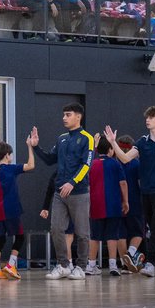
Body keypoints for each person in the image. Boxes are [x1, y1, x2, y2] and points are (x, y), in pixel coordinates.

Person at [104, 106, 155, 277]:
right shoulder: (142, 141)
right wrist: (113, 143)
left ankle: (150, 264)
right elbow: (124, 159)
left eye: (151, 117)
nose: (147, 119)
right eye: (147, 117)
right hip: (145, 191)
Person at [35, 103, 94, 280]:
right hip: (60, 192)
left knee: (82, 232)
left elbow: (87, 164)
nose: (64, 118)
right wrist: (36, 147)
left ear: (78, 117)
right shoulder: (61, 138)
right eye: (64, 115)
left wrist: (73, 182)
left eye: (68, 115)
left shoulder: (87, 138)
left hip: (79, 191)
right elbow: (49, 160)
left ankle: (81, 267)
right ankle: (63, 265)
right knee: (56, 229)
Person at [0, 139, 34, 279]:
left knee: (0, 239)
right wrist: (29, 147)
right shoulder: (12, 168)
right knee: (20, 237)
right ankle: (10, 265)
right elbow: (31, 165)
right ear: (7, 155)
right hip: (11, 209)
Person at [86, 137, 127, 276]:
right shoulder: (115, 164)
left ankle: (91, 265)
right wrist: (125, 201)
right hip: (113, 204)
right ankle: (113, 265)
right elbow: (123, 183)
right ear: (111, 150)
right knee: (112, 236)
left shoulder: (92, 164)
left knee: (94, 236)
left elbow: (88, 186)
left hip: (95, 204)